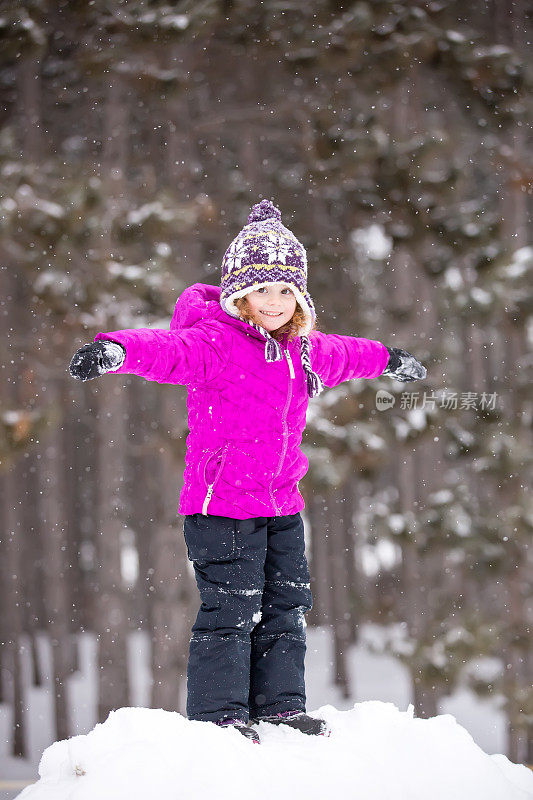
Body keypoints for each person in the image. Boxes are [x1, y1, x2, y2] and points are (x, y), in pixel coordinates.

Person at [69, 199, 426, 745]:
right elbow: (165, 351)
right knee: (232, 609)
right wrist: (115, 349)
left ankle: (281, 708)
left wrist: (389, 359)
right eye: (263, 290)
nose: (276, 302)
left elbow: (349, 354)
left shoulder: (303, 351)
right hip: (221, 505)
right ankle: (220, 717)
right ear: (240, 293)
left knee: (286, 603)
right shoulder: (215, 344)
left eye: (287, 291)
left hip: (282, 503)